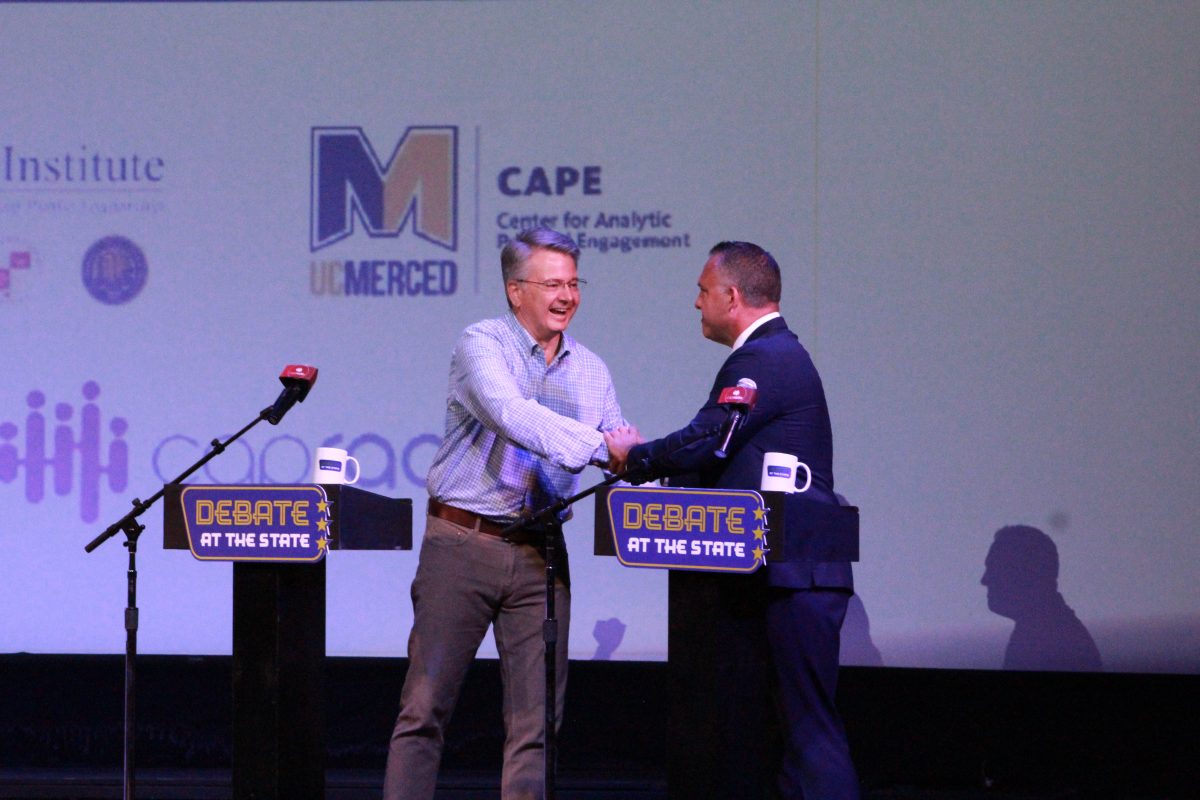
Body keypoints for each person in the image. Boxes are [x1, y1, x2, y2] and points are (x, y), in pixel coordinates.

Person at [384, 227, 639, 800]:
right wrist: (604, 447)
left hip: (540, 556)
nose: (567, 295)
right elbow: (510, 413)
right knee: (424, 709)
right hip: (461, 544)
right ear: (514, 290)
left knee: (538, 723)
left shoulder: (592, 369)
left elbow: (618, 445)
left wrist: (639, 459)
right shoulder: (481, 344)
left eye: (574, 283)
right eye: (553, 283)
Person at [607, 241, 859, 800]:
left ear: (732, 295)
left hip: (800, 574)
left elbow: (710, 436)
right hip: (783, 575)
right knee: (787, 737)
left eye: (702, 291)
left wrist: (637, 458)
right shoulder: (774, 355)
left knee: (810, 735)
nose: (696, 303)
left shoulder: (764, 358)